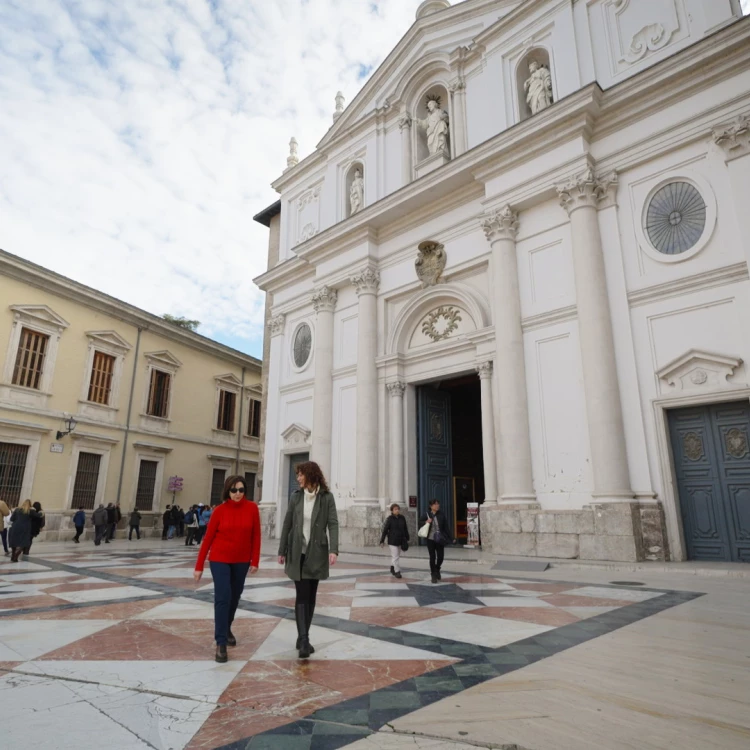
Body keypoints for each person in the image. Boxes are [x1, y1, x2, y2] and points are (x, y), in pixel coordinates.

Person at [193, 475, 260, 664]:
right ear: (227, 491)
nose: (237, 494)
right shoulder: (220, 511)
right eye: (233, 490)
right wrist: (199, 567)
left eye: (241, 490)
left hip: (241, 561)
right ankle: (220, 642)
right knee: (222, 597)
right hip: (220, 559)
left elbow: (256, 535)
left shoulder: (252, 508)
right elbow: (207, 539)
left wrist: (255, 560)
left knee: (235, 596)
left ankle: (227, 626)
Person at [278, 460, 339, 659]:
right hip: (297, 552)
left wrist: (334, 549)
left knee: (311, 595)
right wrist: (282, 549)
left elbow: (333, 524)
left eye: (301, 474)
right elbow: (287, 522)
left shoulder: (326, 497)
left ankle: (301, 635)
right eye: (297, 475)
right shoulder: (296, 497)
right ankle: (304, 639)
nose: (298, 478)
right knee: (302, 593)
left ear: (311, 475)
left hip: (317, 552)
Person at [421, 499, 450, 584]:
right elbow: (419, 522)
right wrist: (426, 521)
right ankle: (433, 574)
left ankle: (437, 568)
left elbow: (446, 527)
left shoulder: (441, 514)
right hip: (430, 539)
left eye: (438, 504)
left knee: (441, 557)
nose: (437, 505)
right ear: (431, 506)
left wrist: (451, 538)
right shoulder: (427, 514)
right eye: (435, 504)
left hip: (439, 538)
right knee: (432, 557)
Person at [379, 503, 409, 579]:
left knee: (396, 556)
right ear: (392, 510)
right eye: (395, 509)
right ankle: (397, 571)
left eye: (398, 509)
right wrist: (382, 540)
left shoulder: (402, 518)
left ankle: (392, 568)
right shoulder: (389, 519)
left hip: (401, 540)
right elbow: (385, 530)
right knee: (395, 556)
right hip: (392, 541)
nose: (397, 510)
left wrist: (407, 537)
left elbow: (405, 528)